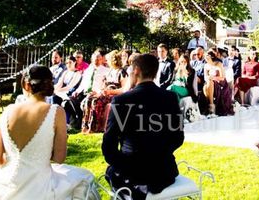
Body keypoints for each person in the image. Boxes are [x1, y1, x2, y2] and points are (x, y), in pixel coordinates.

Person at [0, 65, 95, 199]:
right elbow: (59, 158)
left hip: (6, 181)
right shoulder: (56, 112)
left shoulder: (8, 110)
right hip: (40, 185)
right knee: (84, 179)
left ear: (26, 85)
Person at [102, 54, 184, 199]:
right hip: (164, 170)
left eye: (130, 71)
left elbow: (108, 147)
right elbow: (177, 138)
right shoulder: (169, 97)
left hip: (133, 173)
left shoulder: (122, 100)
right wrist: (158, 155)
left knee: (110, 173)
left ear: (137, 70)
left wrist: (128, 165)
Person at [82, 50, 128, 134]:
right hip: (106, 93)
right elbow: (103, 85)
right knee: (89, 99)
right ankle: (85, 126)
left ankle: (94, 127)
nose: (106, 62)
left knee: (96, 102)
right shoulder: (110, 71)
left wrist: (110, 91)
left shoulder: (121, 72)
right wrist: (98, 92)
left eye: (107, 60)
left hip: (115, 95)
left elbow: (124, 89)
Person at [65, 49, 109, 129]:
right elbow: (83, 84)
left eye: (98, 59)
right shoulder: (88, 70)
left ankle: (86, 125)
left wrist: (98, 92)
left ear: (101, 60)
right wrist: (77, 91)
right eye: (95, 59)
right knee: (67, 101)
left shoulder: (106, 71)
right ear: (92, 60)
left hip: (96, 94)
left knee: (87, 102)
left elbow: (105, 85)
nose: (97, 61)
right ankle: (77, 121)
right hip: (84, 93)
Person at [203, 49, 233, 116]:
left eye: (207, 58)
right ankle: (210, 104)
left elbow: (222, 77)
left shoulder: (218, 64)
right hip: (210, 82)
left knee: (209, 83)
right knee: (205, 87)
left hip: (220, 82)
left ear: (211, 57)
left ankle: (211, 107)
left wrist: (212, 78)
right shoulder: (206, 66)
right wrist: (209, 78)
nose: (206, 59)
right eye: (205, 58)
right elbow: (205, 77)